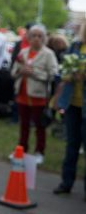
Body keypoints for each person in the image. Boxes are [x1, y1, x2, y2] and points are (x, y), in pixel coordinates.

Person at [11, 25, 58, 164]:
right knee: (23, 126)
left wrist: (34, 73)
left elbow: (53, 74)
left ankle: (39, 152)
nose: (36, 39)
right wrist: (21, 72)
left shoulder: (48, 54)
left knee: (40, 127)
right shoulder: (23, 52)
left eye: (40, 36)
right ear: (28, 38)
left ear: (44, 39)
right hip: (22, 95)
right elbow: (13, 73)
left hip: (39, 97)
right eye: (34, 36)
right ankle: (21, 150)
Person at [53, 22, 86, 200]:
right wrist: (70, 75)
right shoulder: (75, 46)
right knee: (71, 145)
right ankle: (66, 183)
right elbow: (63, 70)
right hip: (73, 103)